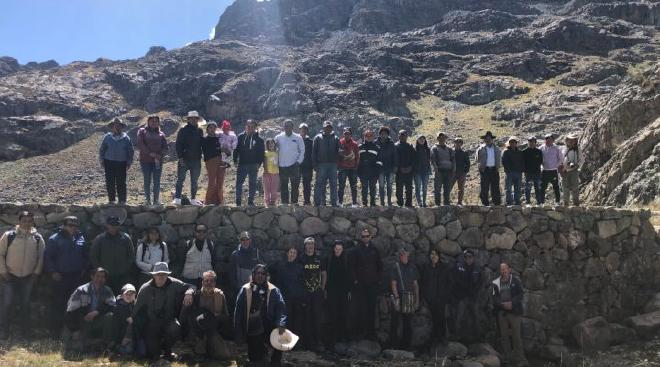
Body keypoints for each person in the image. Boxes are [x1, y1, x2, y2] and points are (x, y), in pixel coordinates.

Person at [133, 262, 195, 361]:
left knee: (176, 328)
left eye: (164, 274)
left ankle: (167, 350)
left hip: (169, 320)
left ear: (167, 275)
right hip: (152, 324)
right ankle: (156, 349)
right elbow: (136, 311)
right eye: (158, 274)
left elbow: (191, 286)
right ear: (153, 275)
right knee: (153, 354)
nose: (161, 277)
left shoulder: (174, 283)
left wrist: (189, 293)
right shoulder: (145, 288)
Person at [0, 210, 45, 339]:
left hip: (28, 277)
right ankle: (4, 331)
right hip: (10, 276)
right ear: (19, 221)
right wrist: (3, 271)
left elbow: (41, 257)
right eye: (24, 220)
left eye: (30, 220)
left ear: (33, 221)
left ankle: (25, 332)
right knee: (7, 304)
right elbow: (0, 254)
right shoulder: (9, 236)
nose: (27, 223)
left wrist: (36, 273)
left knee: (25, 305)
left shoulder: (37, 238)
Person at [234, 264, 287, 367]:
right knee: (256, 360)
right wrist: (238, 335)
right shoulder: (245, 289)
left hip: (269, 325)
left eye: (263, 273)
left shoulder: (274, 290)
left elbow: (281, 309)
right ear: (253, 275)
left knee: (280, 334)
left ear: (266, 276)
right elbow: (238, 314)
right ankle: (261, 352)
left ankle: (275, 361)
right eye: (257, 273)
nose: (260, 276)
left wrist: (281, 324)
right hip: (252, 327)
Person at [44, 215, 88, 337]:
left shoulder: (80, 237)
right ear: (64, 225)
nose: (73, 227)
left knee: (75, 304)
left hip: (76, 276)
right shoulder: (55, 239)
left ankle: (72, 331)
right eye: (70, 225)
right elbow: (48, 258)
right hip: (60, 276)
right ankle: (55, 332)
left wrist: (84, 268)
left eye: (75, 225)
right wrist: (53, 272)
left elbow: (85, 255)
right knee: (59, 304)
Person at [63, 267, 115, 353]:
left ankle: (106, 345)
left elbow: (112, 306)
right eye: (97, 276)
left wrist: (96, 312)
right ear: (92, 276)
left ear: (105, 279)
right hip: (83, 321)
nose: (100, 279)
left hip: (98, 320)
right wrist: (76, 327)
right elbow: (71, 310)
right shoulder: (82, 290)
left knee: (110, 316)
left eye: (102, 277)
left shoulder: (107, 291)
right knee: (80, 349)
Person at [181, 270, 230, 360]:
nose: (209, 283)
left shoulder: (220, 295)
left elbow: (225, 317)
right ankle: (198, 348)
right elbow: (186, 316)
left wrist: (216, 317)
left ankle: (208, 348)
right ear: (202, 282)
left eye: (211, 281)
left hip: (212, 329)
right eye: (206, 281)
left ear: (215, 283)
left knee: (223, 355)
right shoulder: (196, 295)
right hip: (197, 331)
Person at [491, 263, 528, 367]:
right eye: (502, 269)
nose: (504, 271)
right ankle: (508, 359)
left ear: (509, 269)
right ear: (500, 271)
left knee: (517, 336)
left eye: (505, 269)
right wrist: (502, 304)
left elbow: (520, 294)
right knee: (504, 336)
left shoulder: (515, 281)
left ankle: (520, 359)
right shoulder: (496, 283)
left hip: (514, 312)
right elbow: (494, 297)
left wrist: (512, 303)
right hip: (502, 312)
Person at [350, 228, 382, 340]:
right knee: (361, 309)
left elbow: (379, 266)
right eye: (363, 236)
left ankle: (371, 332)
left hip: (372, 284)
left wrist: (377, 279)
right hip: (361, 285)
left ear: (370, 236)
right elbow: (352, 267)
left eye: (367, 236)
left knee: (372, 309)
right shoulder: (356, 250)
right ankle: (361, 333)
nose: (365, 238)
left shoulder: (375, 250)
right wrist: (356, 280)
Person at [90, 216, 135, 294]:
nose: (113, 227)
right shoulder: (100, 239)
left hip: (122, 275)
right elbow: (94, 256)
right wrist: (100, 271)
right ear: (107, 225)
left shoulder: (125, 238)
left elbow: (131, 255)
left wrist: (125, 268)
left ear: (119, 226)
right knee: (104, 296)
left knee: (121, 295)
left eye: (115, 225)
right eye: (111, 225)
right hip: (105, 276)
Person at [271, 246, 304, 342]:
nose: (292, 254)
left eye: (294, 253)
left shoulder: (299, 268)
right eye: (291, 252)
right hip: (284, 298)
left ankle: (295, 342)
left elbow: (302, 283)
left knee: (296, 321)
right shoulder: (280, 265)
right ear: (287, 253)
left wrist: (301, 297)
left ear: (296, 255)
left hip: (296, 298)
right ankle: (284, 341)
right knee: (284, 320)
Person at [299, 237, 327, 351]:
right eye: (308, 244)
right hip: (305, 293)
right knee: (306, 317)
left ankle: (318, 341)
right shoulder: (301, 258)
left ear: (314, 246)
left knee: (317, 317)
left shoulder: (319, 258)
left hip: (317, 293)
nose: (310, 246)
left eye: (312, 244)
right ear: (305, 246)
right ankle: (307, 343)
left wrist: (322, 288)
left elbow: (324, 273)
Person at [420, 249, 452, 346]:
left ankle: (441, 337)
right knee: (434, 318)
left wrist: (445, 296)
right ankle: (436, 338)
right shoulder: (426, 268)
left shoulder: (444, 268)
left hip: (441, 298)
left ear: (439, 256)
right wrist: (425, 295)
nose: (433, 256)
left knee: (441, 318)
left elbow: (450, 283)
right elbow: (423, 283)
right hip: (430, 298)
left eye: (435, 254)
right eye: (431, 254)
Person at [389, 247, 419, 349]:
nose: (403, 256)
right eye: (401, 254)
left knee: (407, 323)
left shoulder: (413, 267)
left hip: (409, 297)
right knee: (395, 322)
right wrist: (396, 298)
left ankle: (406, 345)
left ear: (408, 254)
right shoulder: (395, 267)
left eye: (405, 254)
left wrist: (417, 300)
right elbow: (393, 283)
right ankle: (393, 345)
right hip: (399, 297)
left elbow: (415, 284)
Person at [99, 117, 134, 205]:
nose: (117, 127)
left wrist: (129, 163)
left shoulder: (126, 138)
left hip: (122, 162)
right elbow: (102, 149)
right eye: (115, 126)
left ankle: (122, 200)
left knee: (121, 182)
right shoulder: (107, 137)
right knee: (110, 181)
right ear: (112, 127)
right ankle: (112, 200)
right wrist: (102, 160)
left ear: (122, 127)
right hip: (108, 162)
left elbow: (130, 151)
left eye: (119, 126)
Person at [174, 111, 204, 206]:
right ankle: (177, 198)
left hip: (196, 160)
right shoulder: (183, 130)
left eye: (196, 118)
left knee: (194, 181)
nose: (194, 120)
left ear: (198, 119)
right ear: (189, 119)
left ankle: (193, 199)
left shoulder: (200, 130)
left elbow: (202, 144)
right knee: (180, 179)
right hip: (184, 159)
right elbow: (178, 144)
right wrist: (180, 157)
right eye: (192, 118)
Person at [136, 115, 168, 205]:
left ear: (158, 123)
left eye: (156, 121)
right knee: (147, 180)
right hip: (145, 160)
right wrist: (150, 153)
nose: (154, 123)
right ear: (148, 122)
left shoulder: (161, 134)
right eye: (152, 121)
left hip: (157, 161)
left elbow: (165, 147)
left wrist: (160, 155)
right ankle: (147, 200)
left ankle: (156, 200)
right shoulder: (142, 131)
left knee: (157, 181)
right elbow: (140, 144)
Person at [451, 249, 481, 343]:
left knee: (476, 317)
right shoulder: (459, 267)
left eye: (470, 256)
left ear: (473, 258)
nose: (468, 258)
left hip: (473, 297)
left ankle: (478, 337)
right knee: (458, 317)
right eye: (466, 257)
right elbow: (455, 281)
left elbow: (481, 282)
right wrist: (459, 294)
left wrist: (475, 292)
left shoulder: (477, 268)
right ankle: (456, 337)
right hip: (462, 297)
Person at [325, 240, 351, 346]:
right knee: (333, 314)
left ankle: (342, 336)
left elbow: (349, 275)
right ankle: (333, 338)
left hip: (343, 291)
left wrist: (349, 290)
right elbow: (325, 274)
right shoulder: (329, 259)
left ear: (343, 250)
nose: (338, 251)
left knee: (343, 313)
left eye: (340, 249)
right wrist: (325, 289)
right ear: (333, 249)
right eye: (336, 249)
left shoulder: (346, 260)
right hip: (332, 291)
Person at [234, 119, 265, 206]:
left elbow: (261, 153)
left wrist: (258, 164)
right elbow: (236, 149)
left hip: (253, 165)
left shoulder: (259, 139)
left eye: (252, 127)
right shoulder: (240, 137)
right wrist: (235, 160)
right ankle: (238, 202)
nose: (250, 128)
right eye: (248, 126)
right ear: (245, 126)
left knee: (252, 184)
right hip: (242, 164)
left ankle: (250, 201)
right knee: (239, 183)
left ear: (255, 127)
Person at [275, 119, 305, 205]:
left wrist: (298, 162)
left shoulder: (298, 137)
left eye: (289, 126)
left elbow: (302, 150)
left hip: (294, 165)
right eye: (285, 126)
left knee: (294, 185)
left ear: (292, 127)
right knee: (284, 185)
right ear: (283, 127)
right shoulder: (278, 137)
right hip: (282, 165)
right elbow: (274, 150)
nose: (287, 127)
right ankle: (284, 203)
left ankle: (294, 203)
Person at [313, 121, 340, 207]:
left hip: (333, 165)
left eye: (329, 127)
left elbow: (339, 150)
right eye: (326, 127)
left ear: (331, 128)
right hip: (321, 165)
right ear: (323, 128)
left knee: (334, 185)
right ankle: (318, 203)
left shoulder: (336, 138)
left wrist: (341, 153)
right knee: (319, 184)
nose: (327, 129)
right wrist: (315, 165)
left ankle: (334, 203)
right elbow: (314, 153)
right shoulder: (317, 138)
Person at [228, 231, 263, 299]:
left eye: (247, 239)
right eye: (242, 239)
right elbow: (231, 273)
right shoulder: (235, 254)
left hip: (254, 288)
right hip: (240, 288)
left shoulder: (256, 252)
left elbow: (262, 269)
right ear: (240, 241)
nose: (245, 241)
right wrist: (235, 287)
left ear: (250, 240)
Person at [109, 284, 140, 358]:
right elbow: (116, 327)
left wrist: (134, 320)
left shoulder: (138, 306)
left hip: (135, 335)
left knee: (142, 352)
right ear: (122, 295)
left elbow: (142, 321)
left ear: (135, 295)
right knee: (128, 351)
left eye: (132, 294)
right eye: (127, 294)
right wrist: (122, 339)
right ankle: (115, 348)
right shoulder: (117, 308)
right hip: (121, 336)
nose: (129, 296)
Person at [181, 224, 215, 289]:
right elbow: (181, 260)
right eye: (199, 231)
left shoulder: (210, 244)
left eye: (204, 231)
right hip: (189, 278)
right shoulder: (188, 244)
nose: (201, 233)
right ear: (195, 232)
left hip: (206, 279)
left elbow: (214, 261)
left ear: (206, 233)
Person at [476, 131, 502, 206]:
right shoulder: (480, 149)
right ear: (484, 139)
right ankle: (485, 203)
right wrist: (480, 168)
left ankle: (496, 203)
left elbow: (499, 158)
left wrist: (498, 167)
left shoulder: (496, 148)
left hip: (494, 169)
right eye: (486, 138)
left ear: (491, 139)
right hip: (485, 170)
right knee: (484, 187)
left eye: (489, 138)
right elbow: (477, 159)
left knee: (495, 187)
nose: (488, 139)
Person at [357, 129, 382, 207]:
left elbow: (380, 160)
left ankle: (373, 203)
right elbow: (357, 160)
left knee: (372, 188)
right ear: (364, 136)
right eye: (366, 135)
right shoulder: (360, 147)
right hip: (363, 172)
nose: (368, 137)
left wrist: (377, 171)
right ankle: (364, 204)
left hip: (373, 172)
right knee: (364, 188)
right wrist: (358, 171)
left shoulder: (376, 147)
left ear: (373, 137)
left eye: (370, 135)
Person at [201, 121, 223, 205]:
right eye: (211, 127)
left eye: (214, 127)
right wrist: (219, 149)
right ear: (207, 129)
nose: (213, 129)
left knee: (220, 182)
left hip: (220, 161)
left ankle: (219, 201)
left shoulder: (218, 138)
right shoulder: (204, 139)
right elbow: (207, 151)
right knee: (212, 182)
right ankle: (208, 201)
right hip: (210, 161)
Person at [337, 127, 360, 207]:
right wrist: (338, 166)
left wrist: (356, 166)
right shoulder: (340, 142)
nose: (347, 135)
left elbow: (357, 156)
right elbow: (337, 155)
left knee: (353, 186)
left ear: (351, 135)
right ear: (343, 134)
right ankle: (340, 202)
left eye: (348, 134)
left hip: (352, 168)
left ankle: (354, 203)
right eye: (345, 134)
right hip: (342, 168)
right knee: (341, 186)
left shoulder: (355, 144)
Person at [431, 132, 455, 206]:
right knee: (437, 189)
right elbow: (433, 160)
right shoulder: (434, 148)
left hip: (448, 171)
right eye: (440, 137)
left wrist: (453, 169)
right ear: (437, 138)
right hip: (439, 171)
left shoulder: (449, 149)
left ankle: (446, 203)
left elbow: (453, 160)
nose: (442, 139)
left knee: (447, 189)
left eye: (443, 137)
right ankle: (437, 204)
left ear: (445, 138)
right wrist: (436, 169)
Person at [217, 120, 238, 205]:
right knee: (216, 180)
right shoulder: (219, 134)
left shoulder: (233, 135)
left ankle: (220, 199)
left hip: (227, 158)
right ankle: (217, 198)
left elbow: (235, 146)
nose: (226, 129)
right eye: (225, 128)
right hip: (217, 157)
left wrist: (229, 148)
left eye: (228, 128)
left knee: (220, 180)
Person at [395, 130, 417, 207]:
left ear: (407, 137)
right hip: (399, 171)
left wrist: (411, 167)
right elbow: (395, 159)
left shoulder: (410, 146)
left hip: (409, 171)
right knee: (399, 189)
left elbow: (414, 158)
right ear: (398, 136)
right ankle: (400, 203)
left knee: (409, 188)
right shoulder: (396, 146)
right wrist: (399, 167)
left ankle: (409, 203)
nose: (403, 137)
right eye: (401, 135)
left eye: (404, 135)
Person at [539, 133, 563, 205]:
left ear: (553, 140)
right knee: (542, 187)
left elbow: (561, 159)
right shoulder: (541, 148)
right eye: (546, 139)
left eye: (549, 139)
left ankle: (558, 202)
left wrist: (556, 165)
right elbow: (538, 158)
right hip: (544, 171)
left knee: (556, 187)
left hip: (553, 171)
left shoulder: (557, 148)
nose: (547, 141)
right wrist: (540, 166)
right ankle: (541, 202)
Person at [377, 126, 398, 206]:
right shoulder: (376, 143)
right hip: (380, 169)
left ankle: (389, 201)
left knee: (389, 185)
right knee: (381, 185)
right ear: (379, 134)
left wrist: (395, 166)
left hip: (390, 168)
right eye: (382, 133)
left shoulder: (391, 143)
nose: (383, 135)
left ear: (388, 135)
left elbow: (395, 156)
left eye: (385, 134)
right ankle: (382, 202)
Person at [502, 137, 525, 206]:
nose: (512, 144)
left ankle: (517, 202)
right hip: (509, 173)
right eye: (511, 142)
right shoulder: (506, 152)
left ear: (516, 143)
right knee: (508, 188)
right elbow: (504, 162)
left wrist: (521, 170)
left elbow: (522, 162)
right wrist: (508, 170)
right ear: (509, 143)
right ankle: (509, 202)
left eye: (514, 142)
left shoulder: (520, 152)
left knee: (517, 188)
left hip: (518, 173)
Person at [522, 136, 543, 205]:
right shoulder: (524, 152)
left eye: (533, 142)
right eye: (530, 141)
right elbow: (523, 162)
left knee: (538, 188)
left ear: (535, 143)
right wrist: (525, 170)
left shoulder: (539, 151)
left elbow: (540, 161)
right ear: (528, 142)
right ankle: (528, 202)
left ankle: (539, 202)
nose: (531, 143)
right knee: (528, 188)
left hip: (537, 173)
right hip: (528, 174)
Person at [299, 123, 315, 205]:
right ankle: (294, 202)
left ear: (307, 130)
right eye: (302, 129)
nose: (304, 130)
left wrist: (313, 165)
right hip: (297, 166)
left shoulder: (311, 142)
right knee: (295, 184)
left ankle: (307, 202)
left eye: (305, 129)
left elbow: (313, 154)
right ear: (299, 130)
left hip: (308, 167)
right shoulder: (296, 140)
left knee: (307, 185)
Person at [414, 135, 432, 207]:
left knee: (424, 187)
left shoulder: (427, 149)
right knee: (418, 187)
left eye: (423, 139)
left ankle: (424, 202)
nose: (422, 140)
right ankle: (419, 202)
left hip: (426, 171)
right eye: (420, 139)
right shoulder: (414, 149)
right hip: (417, 171)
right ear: (417, 140)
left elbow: (430, 159)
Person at [562, 134, 580, 206]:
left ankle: (576, 203)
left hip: (574, 170)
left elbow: (582, 159)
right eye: (570, 140)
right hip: (564, 171)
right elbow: (559, 159)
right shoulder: (562, 149)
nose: (572, 142)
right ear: (566, 141)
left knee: (575, 187)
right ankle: (566, 203)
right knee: (565, 187)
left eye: (573, 140)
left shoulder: (578, 149)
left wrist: (577, 165)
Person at [452, 138, 470, 205]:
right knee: (448, 187)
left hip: (461, 173)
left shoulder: (464, 153)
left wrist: (465, 172)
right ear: (454, 143)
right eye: (456, 142)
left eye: (460, 142)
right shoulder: (451, 152)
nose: (458, 144)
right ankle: (447, 201)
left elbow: (468, 163)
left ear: (462, 144)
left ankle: (459, 202)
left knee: (461, 188)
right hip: (452, 173)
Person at [263, 138, 280, 207]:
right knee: (267, 188)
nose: (270, 144)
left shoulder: (277, 152)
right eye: (269, 143)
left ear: (274, 144)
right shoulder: (266, 153)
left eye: (272, 143)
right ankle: (267, 202)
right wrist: (266, 171)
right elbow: (264, 163)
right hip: (267, 173)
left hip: (275, 173)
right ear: (267, 145)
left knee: (274, 188)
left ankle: (273, 201)